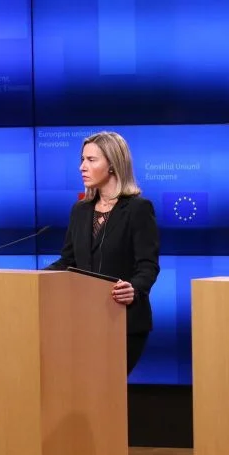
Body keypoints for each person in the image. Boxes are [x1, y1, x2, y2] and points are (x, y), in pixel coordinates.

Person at [45, 131, 160, 375]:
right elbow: (68, 261)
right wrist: (33, 278)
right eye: (82, 159)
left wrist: (134, 289)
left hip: (123, 320)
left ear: (112, 165)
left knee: (106, 387)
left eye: (91, 160)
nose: (82, 167)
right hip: (84, 320)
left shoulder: (138, 209)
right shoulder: (80, 210)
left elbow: (148, 266)